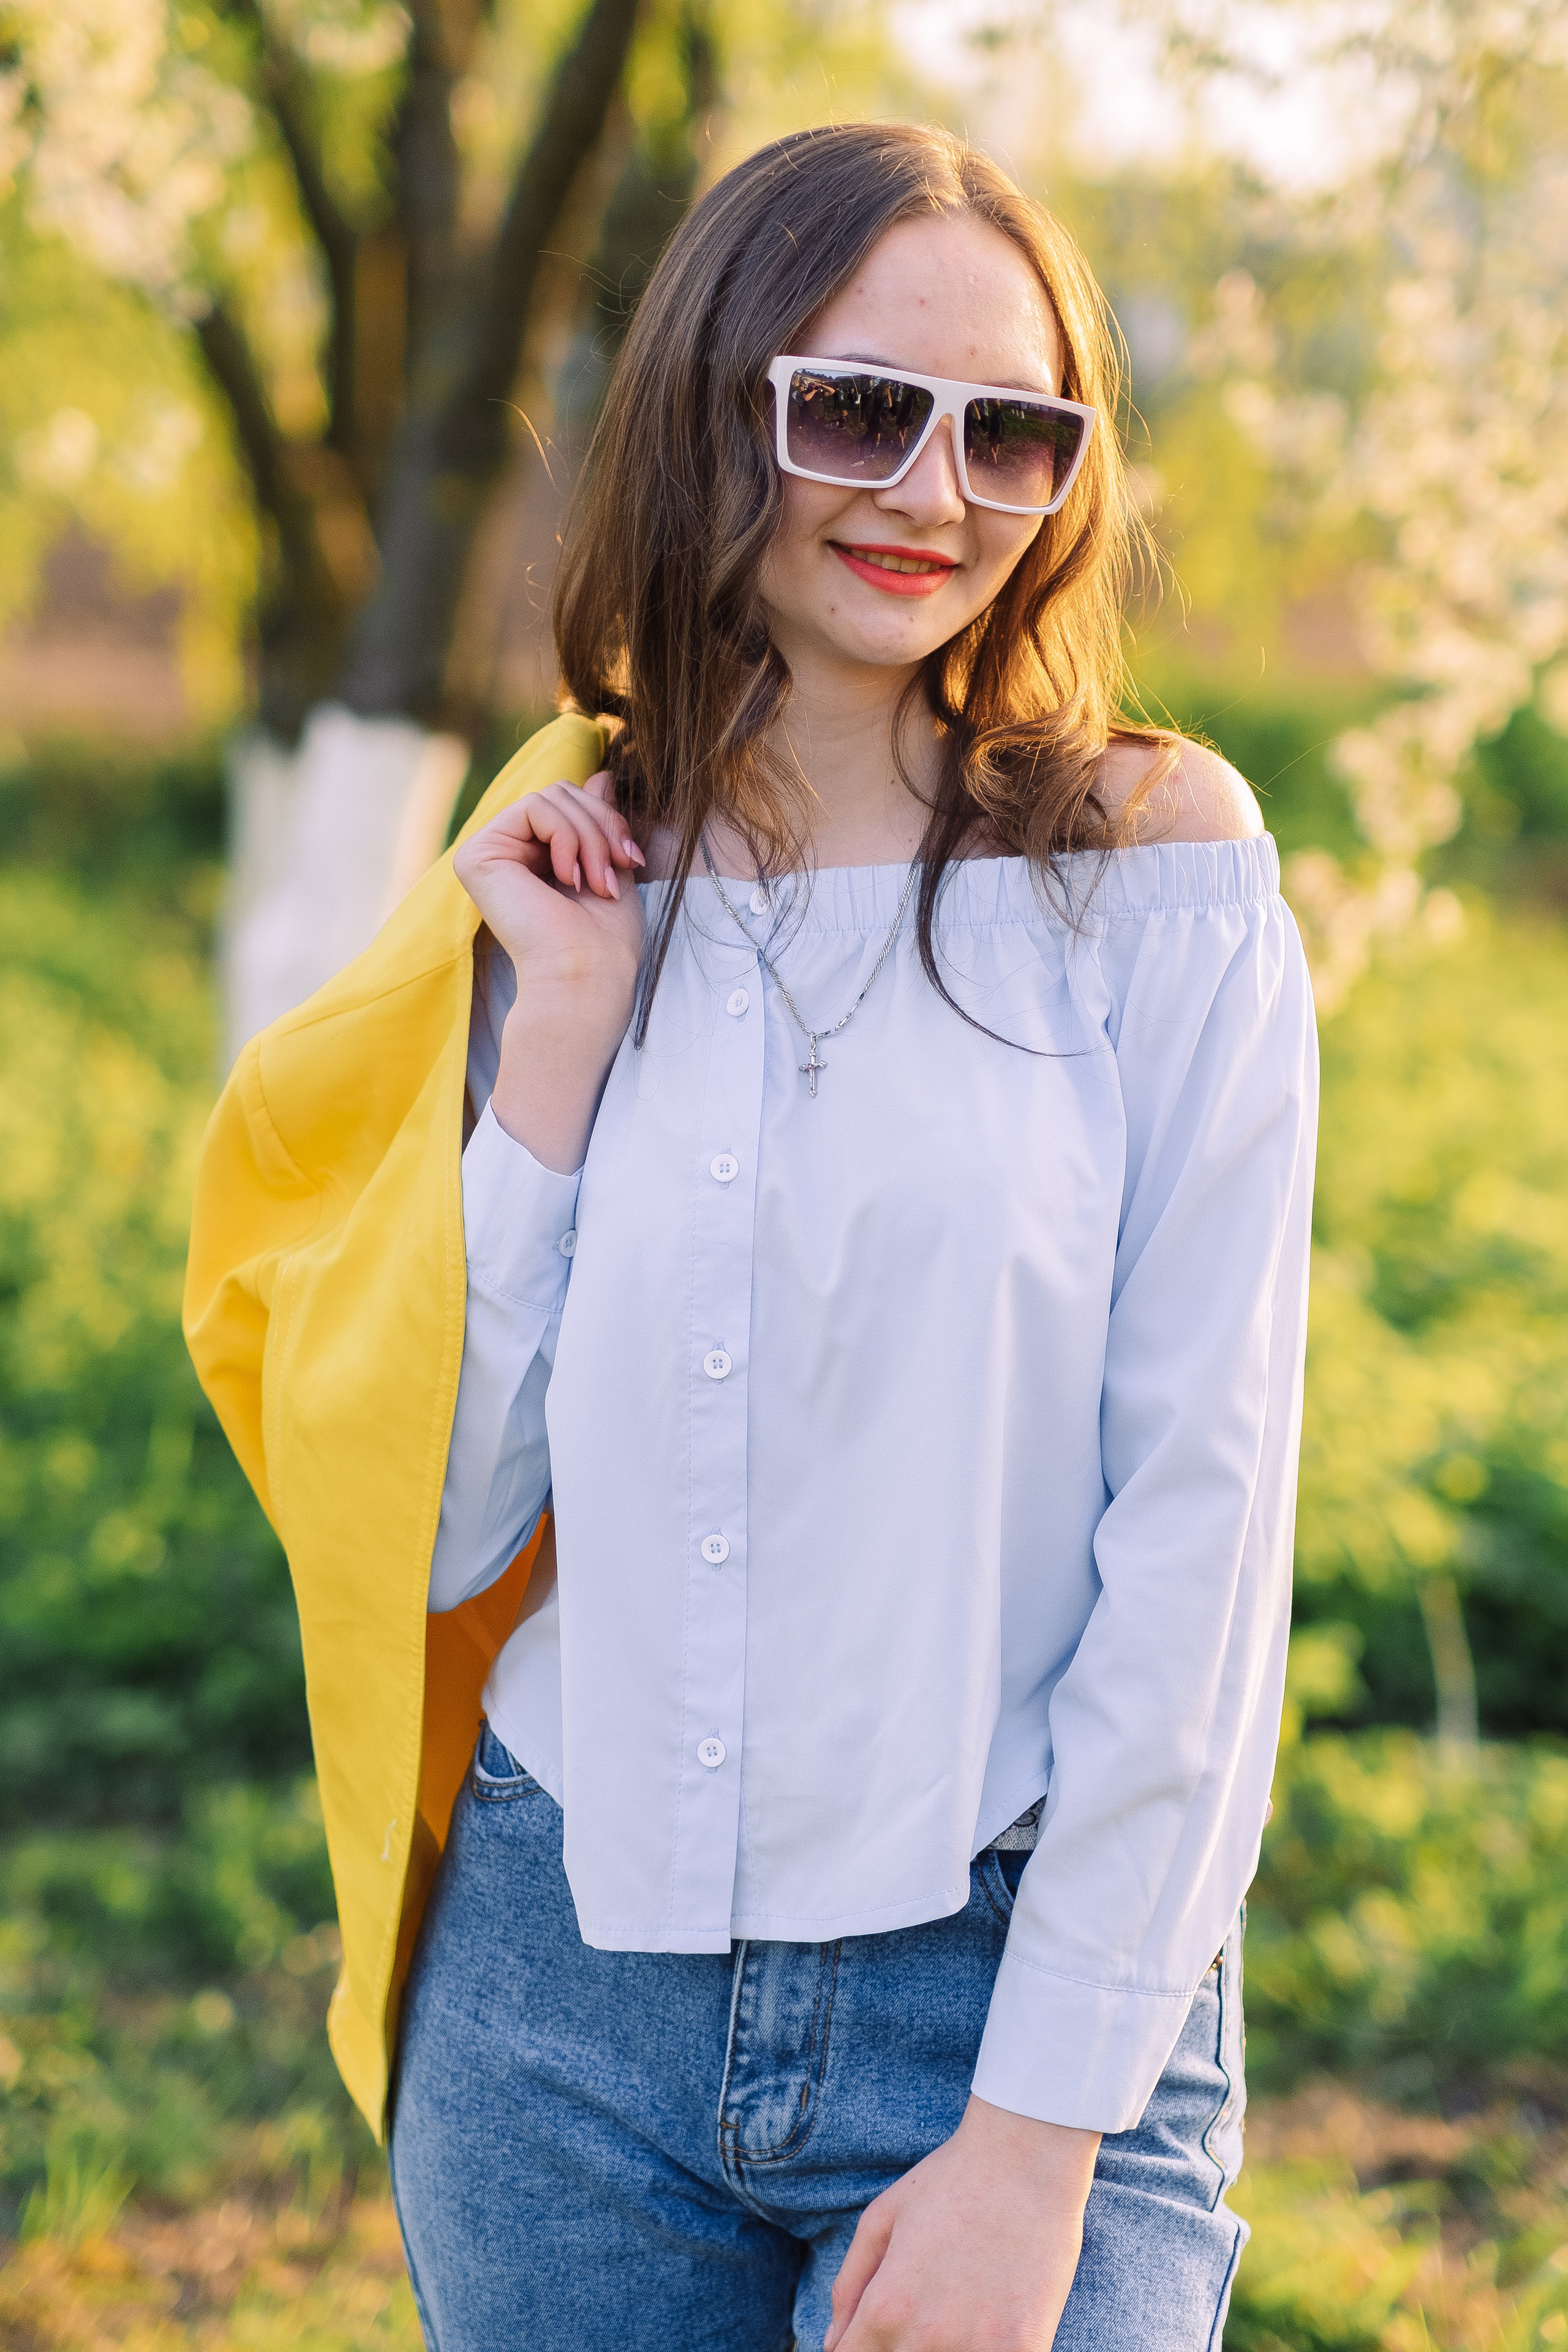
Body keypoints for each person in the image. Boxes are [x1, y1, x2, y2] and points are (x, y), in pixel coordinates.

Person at [186, 121, 1316, 2352]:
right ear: (719, 402)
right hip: (555, 2017)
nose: (936, 492)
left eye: (1016, 431)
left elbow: (1207, 1541)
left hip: (1008, 2004)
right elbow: (425, 1537)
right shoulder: (544, 888)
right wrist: (558, 1068)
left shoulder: (1154, 882)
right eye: (860, 407)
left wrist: (1035, 2139)